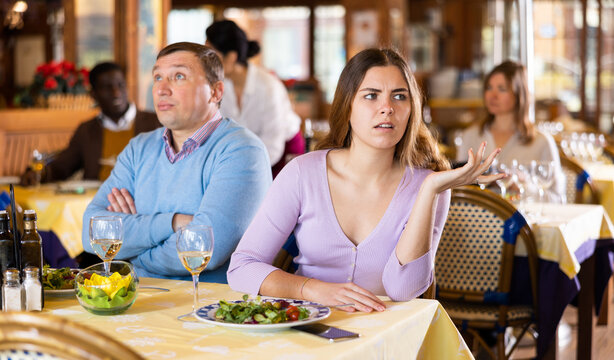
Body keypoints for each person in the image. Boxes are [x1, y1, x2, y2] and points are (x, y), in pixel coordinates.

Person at [227, 48, 502, 312]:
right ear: (347, 106)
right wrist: (313, 289)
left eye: (399, 96)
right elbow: (242, 268)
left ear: (412, 110)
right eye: (371, 96)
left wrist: (429, 189)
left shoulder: (431, 186)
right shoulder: (302, 173)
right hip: (306, 330)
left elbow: (403, 290)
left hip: (388, 338)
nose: (387, 108)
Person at [81, 43, 271, 282]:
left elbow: (204, 251)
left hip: (212, 307)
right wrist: (172, 222)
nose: (161, 89)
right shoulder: (139, 148)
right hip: (139, 299)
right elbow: (91, 234)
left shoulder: (241, 150)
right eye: (158, 77)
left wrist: (132, 253)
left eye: (178, 76)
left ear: (216, 91)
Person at [20, 62, 160, 185]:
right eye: (107, 87)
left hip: (143, 207)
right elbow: (62, 167)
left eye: (120, 85)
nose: (116, 92)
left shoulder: (156, 124)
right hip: (98, 207)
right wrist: (39, 174)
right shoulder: (87, 130)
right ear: (93, 95)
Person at [456, 60, 565, 201]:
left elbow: (558, 199)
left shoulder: (542, 142)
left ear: (519, 94)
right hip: (478, 220)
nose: (493, 95)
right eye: (489, 88)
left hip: (523, 221)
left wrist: (523, 187)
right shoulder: (470, 136)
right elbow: (459, 190)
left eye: (502, 89)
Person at [205, 20, 303, 175]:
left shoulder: (268, 87)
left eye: (211, 55)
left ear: (231, 57)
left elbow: (273, 146)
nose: (206, 62)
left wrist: (243, 169)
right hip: (245, 155)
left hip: (283, 154)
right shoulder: (219, 86)